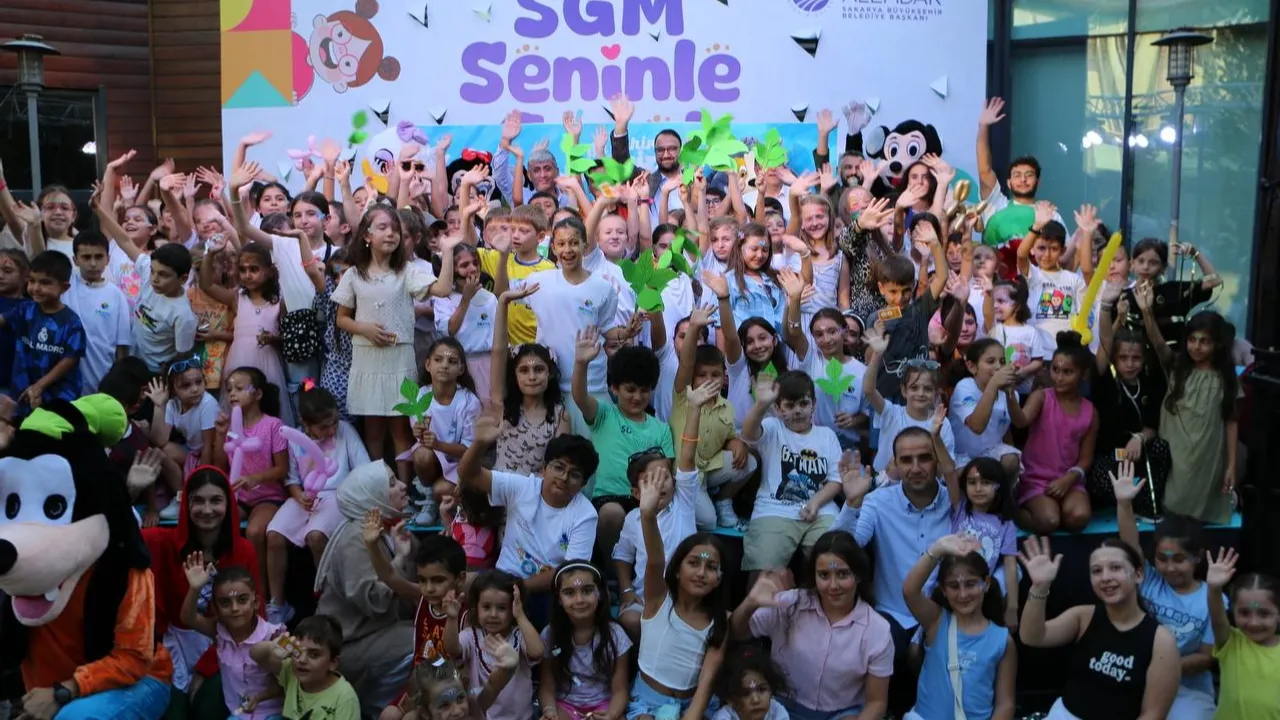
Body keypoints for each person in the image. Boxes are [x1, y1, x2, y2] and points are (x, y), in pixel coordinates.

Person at [831, 427, 953, 714]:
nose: (916, 467)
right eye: (906, 460)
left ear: (937, 460)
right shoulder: (878, 501)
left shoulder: (955, 502)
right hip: (893, 612)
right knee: (882, 650)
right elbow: (838, 549)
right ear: (895, 463)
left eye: (924, 458)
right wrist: (852, 502)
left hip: (944, 611)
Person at [333, 206, 455, 483]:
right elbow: (341, 319)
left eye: (395, 229)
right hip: (367, 361)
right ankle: (381, 486)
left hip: (398, 359)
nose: (391, 233)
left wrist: (447, 251)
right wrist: (364, 328)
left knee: (401, 429)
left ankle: (405, 488)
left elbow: (443, 289)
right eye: (383, 227)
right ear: (366, 236)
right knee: (373, 431)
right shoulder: (354, 274)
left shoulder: (406, 271)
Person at [731, 532, 893, 720]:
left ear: (858, 575)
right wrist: (750, 602)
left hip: (841, 714)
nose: (833, 585)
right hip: (780, 708)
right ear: (814, 576)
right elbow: (736, 632)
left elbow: (876, 703)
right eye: (824, 575)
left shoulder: (878, 630)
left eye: (842, 574)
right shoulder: (789, 604)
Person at [1017, 535, 1180, 719]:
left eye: (1115, 568)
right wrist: (1039, 587)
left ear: (1138, 574)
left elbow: (1153, 714)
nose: (1105, 577)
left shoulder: (1161, 641)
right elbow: (1032, 636)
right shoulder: (1083, 616)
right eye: (1096, 571)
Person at [143, 465, 265, 702]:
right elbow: (116, 534)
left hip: (225, 648)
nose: (207, 510)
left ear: (229, 504)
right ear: (186, 505)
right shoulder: (162, 542)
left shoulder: (244, 550)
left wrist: (205, 668)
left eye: (216, 500)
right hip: (169, 648)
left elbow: (254, 618)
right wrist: (130, 491)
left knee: (207, 706)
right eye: (198, 501)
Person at [1112, 463, 1219, 718]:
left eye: (1179, 559)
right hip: (1136, 680)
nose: (1170, 568)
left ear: (1197, 557)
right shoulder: (1149, 579)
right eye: (1162, 558)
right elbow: (1130, 544)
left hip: (1188, 690)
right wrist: (1124, 504)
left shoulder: (1213, 598)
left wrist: (1159, 669)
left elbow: (1207, 657)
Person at [457, 412, 599, 604]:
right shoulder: (522, 487)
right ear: (544, 468)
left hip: (549, 591)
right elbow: (468, 474)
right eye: (558, 468)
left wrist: (516, 588)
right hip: (503, 578)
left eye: (574, 474)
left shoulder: (586, 514)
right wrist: (479, 444)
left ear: (583, 483)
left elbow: (569, 571)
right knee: (461, 583)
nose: (564, 478)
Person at [615, 379, 719, 640]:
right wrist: (626, 590)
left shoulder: (682, 502)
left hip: (686, 595)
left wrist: (694, 408)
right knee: (629, 619)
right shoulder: (632, 519)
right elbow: (622, 556)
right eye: (651, 479)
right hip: (647, 598)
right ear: (636, 493)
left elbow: (687, 455)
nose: (660, 484)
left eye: (665, 477)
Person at [313, 461, 416, 718]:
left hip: (377, 632)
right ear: (373, 494)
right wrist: (399, 560)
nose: (403, 485)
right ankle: (373, 710)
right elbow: (374, 602)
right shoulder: (355, 539)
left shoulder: (390, 528)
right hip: (351, 643)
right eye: (392, 483)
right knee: (424, 642)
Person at [264, 385, 370, 625]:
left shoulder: (345, 431)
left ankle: (329, 598)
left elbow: (363, 468)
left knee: (315, 535)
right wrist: (299, 495)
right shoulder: (295, 439)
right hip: (306, 496)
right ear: (305, 423)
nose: (331, 430)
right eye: (323, 427)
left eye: (334, 423)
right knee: (274, 534)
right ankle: (278, 603)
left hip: (338, 494)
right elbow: (291, 479)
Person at [629, 472, 729, 720]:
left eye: (711, 567)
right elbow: (655, 559)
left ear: (719, 578)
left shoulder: (720, 620)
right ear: (676, 570)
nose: (701, 573)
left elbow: (707, 680)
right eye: (693, 563)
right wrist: (648, 515)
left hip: (694, 704)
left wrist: (692, 714)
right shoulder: (658, 601)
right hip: (647, 703)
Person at [1138, 297, 1239, 525]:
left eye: (1204, 341)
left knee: (1200, 513)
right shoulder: (1177, 367)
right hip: (1176, 450)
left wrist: (1231, 466)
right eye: (1192, 339)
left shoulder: (1226, 378)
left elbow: (1231, 422)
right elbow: (1158, 344)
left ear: (1217, 344)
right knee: (1174, 506)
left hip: (1207, 452)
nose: (1196, 346)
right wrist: (1146, 312)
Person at [573, 332, 673, 561]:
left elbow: (665, 471)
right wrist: (581, 363)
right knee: (611, 514)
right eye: (630, 389)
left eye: (644, 390)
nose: (637, 397)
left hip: (650, 499)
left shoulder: (662, 429)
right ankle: (609, 568)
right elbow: (579, 397)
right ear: (615, 388)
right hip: (610, 498)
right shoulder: (604, 415)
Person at [740, 371, 844, 577]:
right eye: (789, 405)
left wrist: (815, 502)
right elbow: (748, 433)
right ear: (778, 408)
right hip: (774, 509)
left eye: (804, 403)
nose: (797, 411)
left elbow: (835, 480)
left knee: (835, 561)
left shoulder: (827, 436)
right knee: (763, 573)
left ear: (814, 404)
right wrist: (761, 404)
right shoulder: (773, 427)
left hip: (821, 511)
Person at [902, 534, 1017, 720]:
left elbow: (1005, 704)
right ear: (943, 590)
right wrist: (938, 549)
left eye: (970, 584)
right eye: (954, 586)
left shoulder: (1003, 641)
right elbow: (910, 591)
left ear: (986, 583)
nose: (963, 595)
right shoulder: (936, 622)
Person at [668, 304, 754, 530]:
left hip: (710, 470)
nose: (708, 380)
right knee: (708, 522)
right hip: (687, 476)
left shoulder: (727, 407)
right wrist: (694, 328)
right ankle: (677, 502)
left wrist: (735, 442)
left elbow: (728, 437)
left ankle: (722, 500)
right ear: (692, 377)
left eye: (715, 374)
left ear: (724, 377)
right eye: (701, 375)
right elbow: (686, 362)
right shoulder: (684, 396)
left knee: (750, 461)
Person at [197, 238, 294, 428]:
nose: (247, 275)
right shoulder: (237, 298)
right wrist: (210, 254)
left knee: (267, 407)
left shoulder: (279, 302)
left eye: (254, 269)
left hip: (267, 363)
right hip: (239, 361)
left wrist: (273, 339)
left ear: (269, 271)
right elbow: (206, 285)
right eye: (242, 270)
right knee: (237, 409)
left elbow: (288, 338)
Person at [213, 366, 288, 596]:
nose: (232, 394)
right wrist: (220, 434)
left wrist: (254, 478)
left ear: (258, 394)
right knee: (216, 520)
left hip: (268, 496)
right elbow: (220, 465)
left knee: (255, 532)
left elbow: (282, 469)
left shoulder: (273, 425)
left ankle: (262, 596)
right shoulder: (231, 428)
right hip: (240, 496)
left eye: (239, 388)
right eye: (229, 390)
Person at [179, 561, 283, 720]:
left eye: (242, 600)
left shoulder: (273, 634)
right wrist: (195, 589)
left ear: (255, 603)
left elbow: (289, 682)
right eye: (225, 602)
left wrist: (259, 698)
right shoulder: (219, 630)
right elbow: (188, 618)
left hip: (273, 713)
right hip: (238, 714)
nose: (234, 608)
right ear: (216, 609)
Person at [1017, 332, 1098, 534]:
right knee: (1049, 520)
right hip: (1035, 479)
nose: (1059, 377)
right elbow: (1021, 421)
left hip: (1069, 480)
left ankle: (1055, 510)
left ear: (1083, 375)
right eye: (1055, 369)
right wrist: (1010, 394)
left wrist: (1068, 479)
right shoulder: (1041, 397)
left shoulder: (1090, 411)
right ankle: (1014, 512)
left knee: (1079, 518)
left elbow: (1086, 458)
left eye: (1068, 372)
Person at [488, 285, 570, 475]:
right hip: (501, 489)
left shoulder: (560, 415)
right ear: (515, 375)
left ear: (550, 373)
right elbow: (498, 352)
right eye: (524, 370)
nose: (532, 377)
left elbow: (559, 464)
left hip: (536, 489)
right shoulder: (503, 406)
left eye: (539, 369)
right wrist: (503, 302)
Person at [443, 571, 544, 720]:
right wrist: (451, 618)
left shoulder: (519, 635)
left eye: (502, 608)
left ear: (513, 608)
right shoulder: (472, 635)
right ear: (476, 607)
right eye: (486, 607)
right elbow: (451, 648)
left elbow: (537, 652)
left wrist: (520, 615)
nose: (493, 614)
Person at [539, 562, 632, 720]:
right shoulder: (550, 633)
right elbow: (547, 685)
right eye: (569, 593)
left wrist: (611, 714)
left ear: (600, 593)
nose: (579, 600)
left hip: (604, 705)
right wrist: (549, 710)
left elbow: (620, 690)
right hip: (564, 705)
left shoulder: (615, 635)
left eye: (587, 591)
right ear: (559, 599)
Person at [862, 326, 955, 480]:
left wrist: (936, 438)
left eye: (927, 389)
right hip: (886, 484)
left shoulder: (942, 424)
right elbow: (868, 390)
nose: (920, 393)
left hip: (923, 483)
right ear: (904, 391)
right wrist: (877, 354)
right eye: (914, 388)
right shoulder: (891, 412)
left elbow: (947, 469)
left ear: (936, 394)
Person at [0, 251, 84, 414]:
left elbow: (70, 359)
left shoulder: (71, 322)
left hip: (58, 398)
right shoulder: (24, 309)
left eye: (45, 283)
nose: (36, 288)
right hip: (22, 394)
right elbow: (3, 320)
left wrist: (39, 386)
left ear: (64, 287)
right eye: (32, 281)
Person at [1203, 549, 1280, 718]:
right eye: (1244, 613)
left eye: (1264, 614)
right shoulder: (1231, 642)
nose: (1253, 622)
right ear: (1233, 611)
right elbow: (1217, 619)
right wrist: (1214, 588)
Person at [948, 458, 1020, 628]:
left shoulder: (1006, 524)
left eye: (986, 482)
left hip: (981, 592)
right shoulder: (960, 508)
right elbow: (948, 470)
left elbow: (1010, 565)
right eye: (972, 482)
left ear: (998, 486)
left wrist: (1012, 607)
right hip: (951, 584)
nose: (978, 488)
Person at [411, 336, 482, 503]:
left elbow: (469, 450)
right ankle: (428, 497)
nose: (444, 365)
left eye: (452, 361)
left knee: (442, 491)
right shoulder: (420, 396)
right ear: (428, 364)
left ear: (461, 369)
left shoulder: (470, 402)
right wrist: (419, 433)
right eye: (438, 359)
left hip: (462, 463)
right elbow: (422, 441)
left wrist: (438, 445)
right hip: (433, 459)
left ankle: (437, 498)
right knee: (421, 455)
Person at [249, 616, 361, 720]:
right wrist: (272, 646)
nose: (302, 660)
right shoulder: (291, 671)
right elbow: (255, 654)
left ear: (333, 662)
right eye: (297, 651)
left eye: (314, 655)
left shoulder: (345, 698)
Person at [948, 338, 1027, 481]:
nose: (998, 367)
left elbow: (1020, 423)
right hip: (963, 455)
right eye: (990, 361)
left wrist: (1010, 394)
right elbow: (977, 426)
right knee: (964, 476)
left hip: (991, 452)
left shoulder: (1008, 393)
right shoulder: (965, 387)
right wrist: (993, 384)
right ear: (972, 367)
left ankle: (1005, 494)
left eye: (1002, 361)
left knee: (1010, 460)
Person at [66, 230, 132, 393]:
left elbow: (122, 347)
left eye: (99, 257)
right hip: (66, 383)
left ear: (108, 259)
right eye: (86, 257)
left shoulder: (117, 296)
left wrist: (117, 383)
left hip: (103, 380)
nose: (93, 263)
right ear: (75, 260)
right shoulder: (65, 287)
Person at [1016, 211, 1091, 338]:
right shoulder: (1032, 274)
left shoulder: (1075, 280)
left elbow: (1083, 315)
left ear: (1063, 250)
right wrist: (1036, 226)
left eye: (1054, 249)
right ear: (1032, 249)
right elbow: (1021, 255)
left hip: (1066, 346)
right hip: (1037, 347)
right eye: (1041, 248)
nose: (1047, 255)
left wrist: (1087, 233)